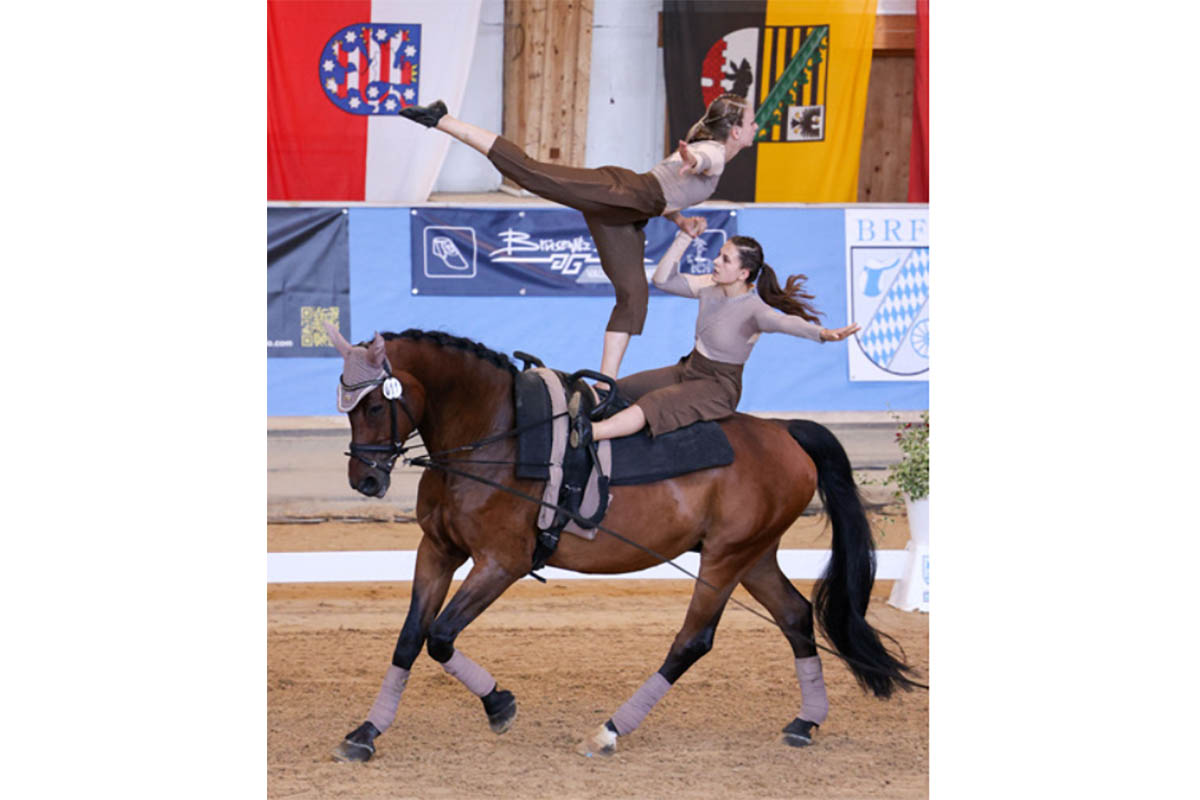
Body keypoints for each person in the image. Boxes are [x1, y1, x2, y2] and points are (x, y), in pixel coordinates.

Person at [398, 94, 758, 379]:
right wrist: (693, 159)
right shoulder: (714, 153)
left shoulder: (713, 149)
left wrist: (679, 221)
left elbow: (669, 189)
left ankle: (606, 384)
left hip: (629, 214)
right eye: (751, 121)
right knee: (531, 173)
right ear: (736, 132)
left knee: (634, 297)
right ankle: (442, 119)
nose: (755, 125)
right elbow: (702, 159)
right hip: (622, 192)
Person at [567, 223, 860, 448]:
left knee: (653, 405)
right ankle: (574, 411)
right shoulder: (710, 286)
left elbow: (787, 323)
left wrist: (823, 334)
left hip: (719, 386)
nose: (716, 262)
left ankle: (589, 433)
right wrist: (684, 238)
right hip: (689, 369)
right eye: (720, 256)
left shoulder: (755, 310)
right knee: (614, 388)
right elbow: (662, 280)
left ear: (744, 273)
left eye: (726, 259)